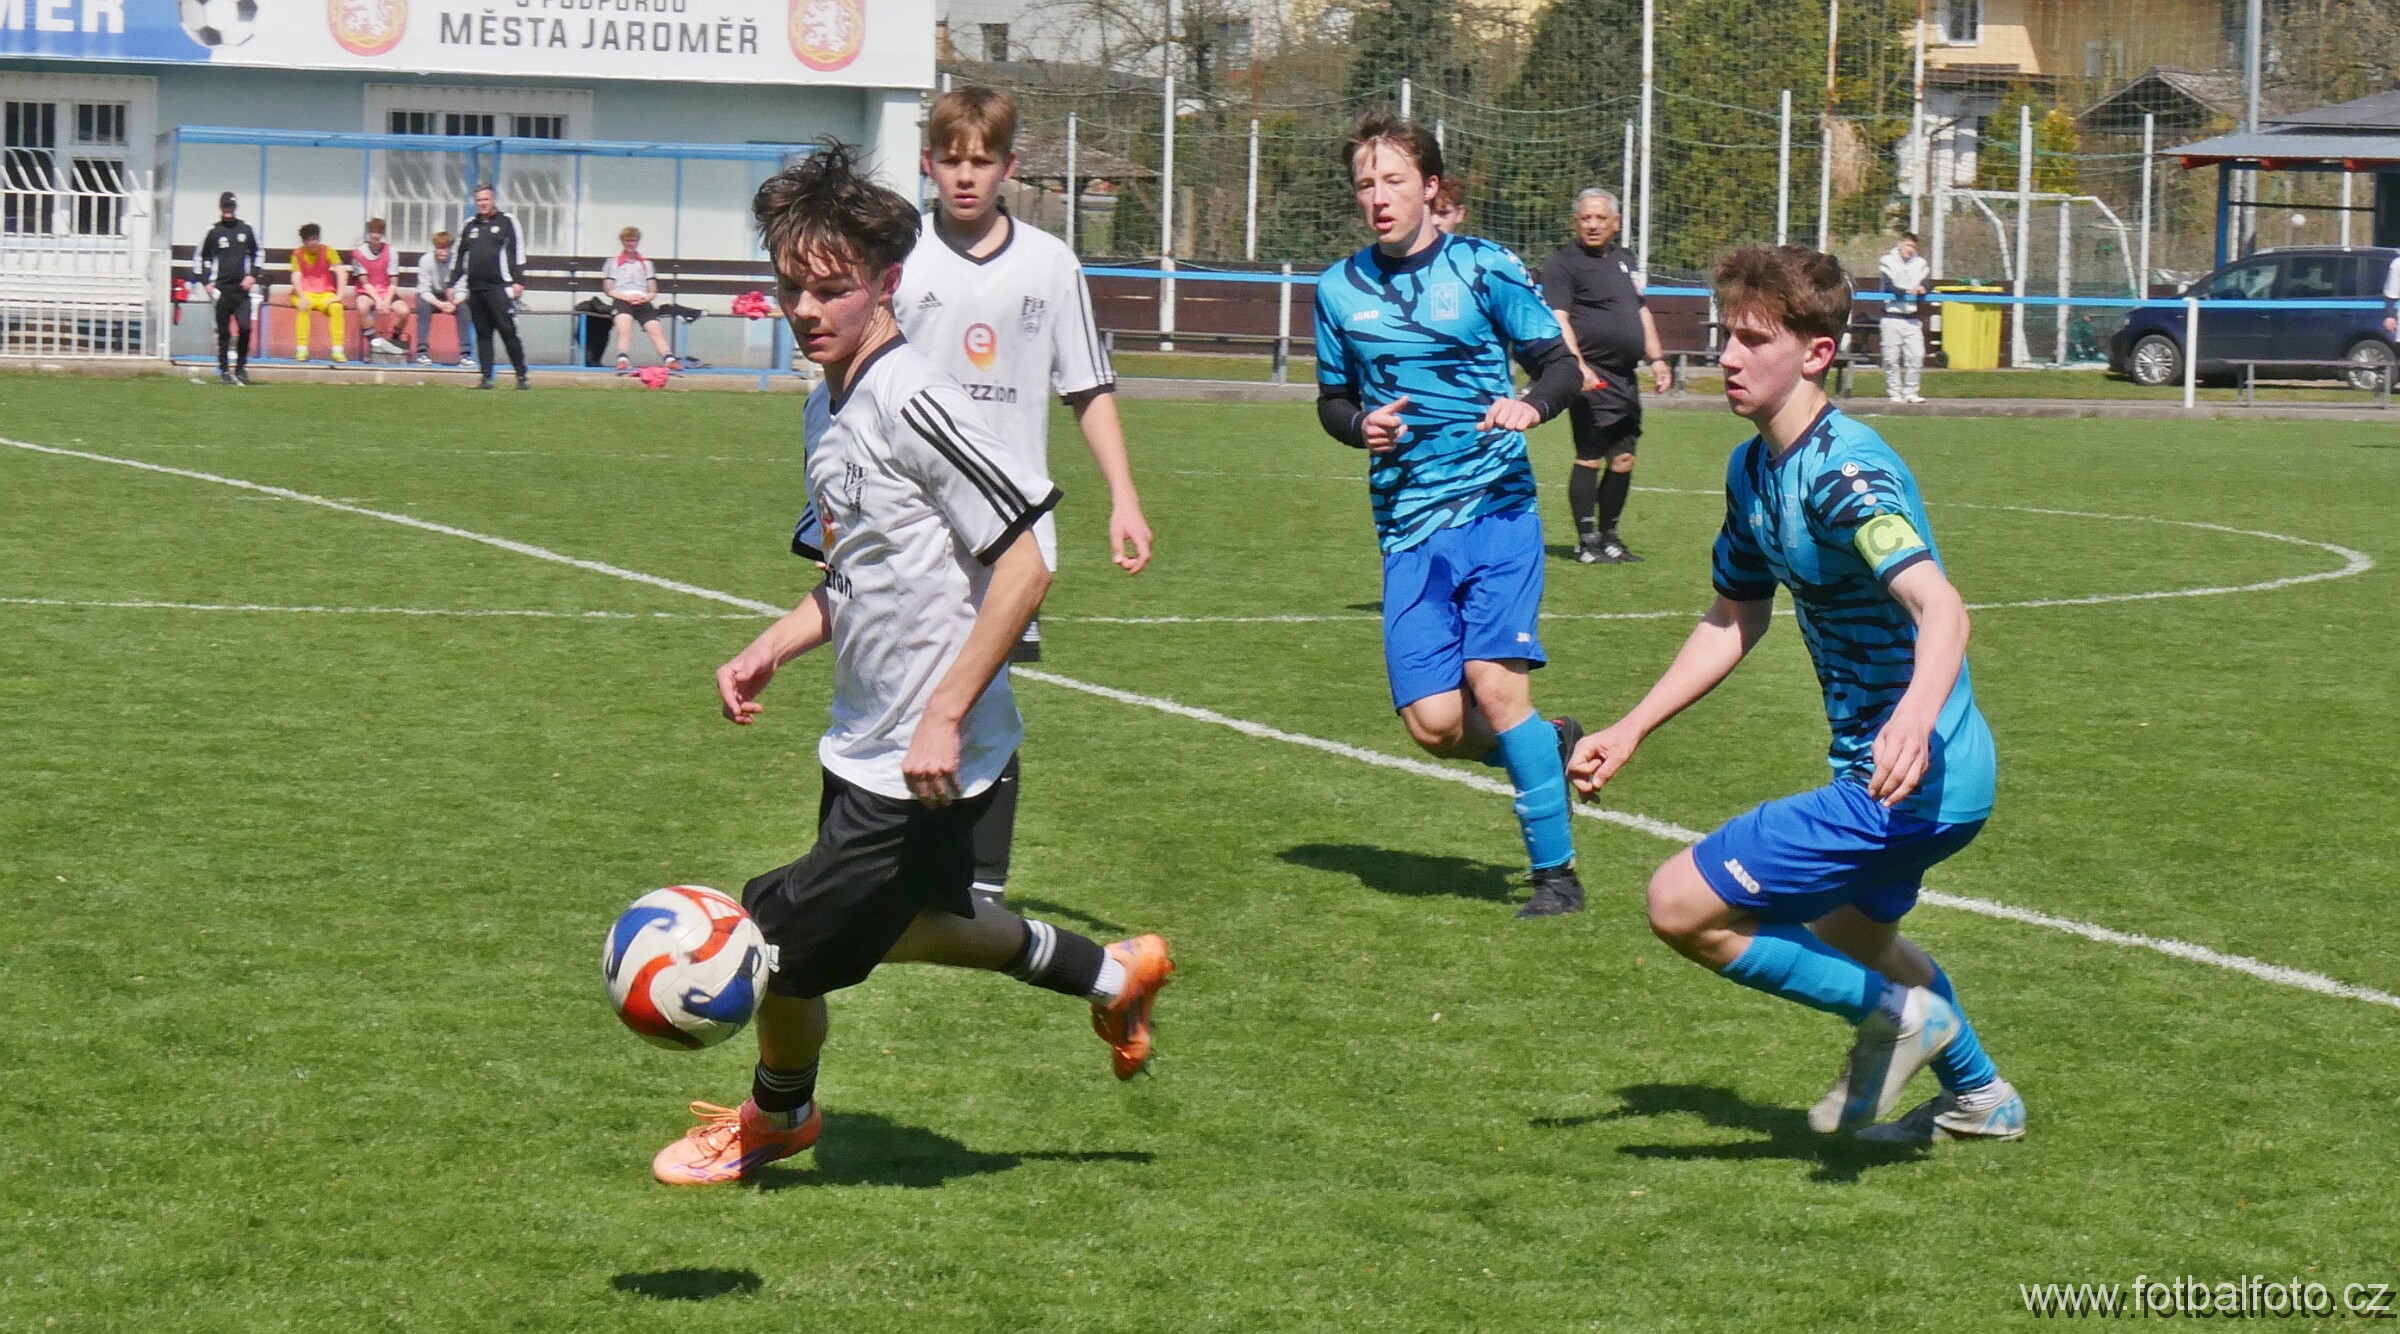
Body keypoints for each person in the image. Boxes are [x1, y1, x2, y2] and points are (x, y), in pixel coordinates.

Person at [649, 142, 1174, 1187]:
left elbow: (1027, 564)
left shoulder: (917, 401)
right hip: (865, 737)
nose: (807, 309)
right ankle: (1113, 974)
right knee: (920, 925)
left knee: (767, 937)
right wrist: (771, 644)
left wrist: (943, 712)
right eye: (792, 287)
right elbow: (852, 574)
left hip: (922, 758)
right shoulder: (825, 404)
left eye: (832, 288)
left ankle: (777, 1117)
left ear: (887, 283)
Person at [1568, 244, 2024, 1144]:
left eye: (1753, 340)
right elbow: (1735, 614)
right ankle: (1982, 1098)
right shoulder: (1754, 471)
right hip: (1910, 774)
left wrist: (1911, 718)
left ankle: (1903, 1019)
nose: (1727, 356)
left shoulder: (1849, 475)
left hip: (1909, 776)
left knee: (1680, 904)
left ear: (1816, 353)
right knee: (1855, 932)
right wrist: (1632, 727)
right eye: (1724, 336)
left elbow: (1942, 608)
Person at [1313, 112, 1591, 919]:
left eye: (1394, 181)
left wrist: (1532, 406)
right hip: (1407, 526)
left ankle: (1555, 876)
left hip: (1497, 508)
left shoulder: (1482, 266)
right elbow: (1332, 399)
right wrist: (1358, 425)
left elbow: (1560, 367)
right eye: (1365, 184)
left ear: (1430, 187)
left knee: (1497, 692)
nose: (1378, 197)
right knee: (1435, 724)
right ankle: (1548, 745)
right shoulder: (1337, 289)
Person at [892, 85, 1154, 907]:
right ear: (928, 164)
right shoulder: (900, 256)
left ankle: (981, 889)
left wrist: (1124, 498)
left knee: (986, 698)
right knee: (907, 688)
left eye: (982, 161)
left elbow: (1087, 386)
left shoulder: (1050, 263)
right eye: (951, 161)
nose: (966, 177)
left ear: (1009, 166)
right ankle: (907, 872)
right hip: (914, 520)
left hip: (1010, 531)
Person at [1538, 188, 1670, 566]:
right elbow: (1560, 318)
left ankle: (1610, 537)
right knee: (1590, 455)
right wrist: (1577, 365)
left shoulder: (1624, 259)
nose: (1593, 224)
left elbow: (1640, 311)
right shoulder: (1562, 263)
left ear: (1616, 222)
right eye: (1586, 218)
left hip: (1624, 376)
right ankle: (1587, 541)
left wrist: (1657, 359)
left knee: (1624, 458)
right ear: (1575, 222)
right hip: (1591, 375)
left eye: (1600, 218)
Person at [456, 184, 529, 390]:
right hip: (476, 288)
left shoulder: (507, 221)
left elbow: (518, 251)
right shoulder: (469, 225)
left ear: (493, 199)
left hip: (499, 286)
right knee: (483, 333)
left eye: (486, 199)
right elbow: (459, 256)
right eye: (479, 200)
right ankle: (486, 377)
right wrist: (452, 284)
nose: (482, 204)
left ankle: (522, 376)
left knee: (508, 330)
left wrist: (518, 280)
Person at [194, 190, 260, 385]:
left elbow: (258, 253)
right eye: (225, 206)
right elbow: (200, 257)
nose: (228, 209)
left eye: (230, 206)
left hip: (242, 291)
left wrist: (252, 275)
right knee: (223, 333)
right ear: (220, 207)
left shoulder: (246, 229)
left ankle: (240, 368)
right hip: (221, 290)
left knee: (245, 327)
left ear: (235, 207)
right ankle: (224, 371)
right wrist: (206, 283)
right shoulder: (213, 231)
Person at [604, 226, 679, 372]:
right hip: (622, 299)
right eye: (627, 240)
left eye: (633, 240)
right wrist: (627, 297)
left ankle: (669, 358)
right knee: (624, 325)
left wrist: (645, 298)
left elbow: (653, 290)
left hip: (642, 300)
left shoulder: (646, 264)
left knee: (654, 327)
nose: (630, 244)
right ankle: (622, 358)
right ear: (622, 241)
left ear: (637, 241)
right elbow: (608, 289)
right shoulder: (613, 262)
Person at [1876, 232, 1930, 404]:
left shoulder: (1920, 264)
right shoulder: (1887, 262)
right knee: (1891, 359)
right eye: (1908, 245)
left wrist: (1922, 288)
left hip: (1912, 319)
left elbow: (1926, 284)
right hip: (1891, 317)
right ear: (1900, 244)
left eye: (1913, 246)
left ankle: (1911, 392)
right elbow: (1888, 287)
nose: (1911, 249)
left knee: (1917, 355)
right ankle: (1894, 393)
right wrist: (1906, 291)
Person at [286, 223, 348, 364]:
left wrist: (339, 296)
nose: (312, 243)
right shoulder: (297, 254)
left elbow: (341, 272)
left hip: (325, 292)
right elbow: (296, 276)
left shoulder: (328, 251)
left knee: (337, 308)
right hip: (304, 292)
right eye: (308, 240)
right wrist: (302, 297)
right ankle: (302, 349)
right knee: (303, 307)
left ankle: (337, 350)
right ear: (303, 242)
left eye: (315, 238)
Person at [412, 229, 474, 370]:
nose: (441, 251)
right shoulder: (426, 260)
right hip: (432, 295)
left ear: (450, 248)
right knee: (423, 305)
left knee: (464, 308)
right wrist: (439, 304)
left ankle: (465, 354)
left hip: (453, 296)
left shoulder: (458, 262)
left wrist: (454, 303)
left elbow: (463, 287)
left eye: (444, 248)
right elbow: (423, 289)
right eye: (438, 248)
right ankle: (422, 352)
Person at [350, 218, 411, 360]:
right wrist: (378, 300)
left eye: (378, 232)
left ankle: (394, 339)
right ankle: (374, 345)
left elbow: (393, 282)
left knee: (404, 311)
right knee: (362, 306)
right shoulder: (358, 253)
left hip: (387, 291)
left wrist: (387, 300)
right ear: (368, 234)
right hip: (367, 292)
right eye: (372, 232)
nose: (375, 235)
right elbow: (364, 282)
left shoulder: (391, 251)